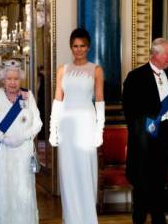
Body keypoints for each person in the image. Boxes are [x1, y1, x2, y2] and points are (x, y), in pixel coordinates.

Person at [49, 28, 105, 224]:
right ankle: (71, 219)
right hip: (67, 127)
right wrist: (52, 129)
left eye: (82, 46)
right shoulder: (62, 69)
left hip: (87, 126)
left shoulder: (96, 70)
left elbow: (99, 102)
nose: (78, 50)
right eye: (75, 46)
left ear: (88, 47)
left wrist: (99, 131)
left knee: (86, 171)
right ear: (71, 47)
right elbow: (58, 100)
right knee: (68, 173)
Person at [123, 38, 168, 224]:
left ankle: (159, 220)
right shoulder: (136, 76)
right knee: (142, 187)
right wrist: (148, 126)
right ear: (156, 54)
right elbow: (129, 110)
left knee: (159, 185)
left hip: (163, 140)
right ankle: (138, 221)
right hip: (144, 141)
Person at [0, 59, 42, 224]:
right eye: (9, 79)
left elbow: (38, 123)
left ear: (20, 79)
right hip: (3, 151)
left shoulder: (27, 95)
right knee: (4, 190)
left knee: (23, 190)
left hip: (23, 151)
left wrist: (22, 137)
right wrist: (3, 138)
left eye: (16, 79)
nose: (12, 82)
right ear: (3, 79)